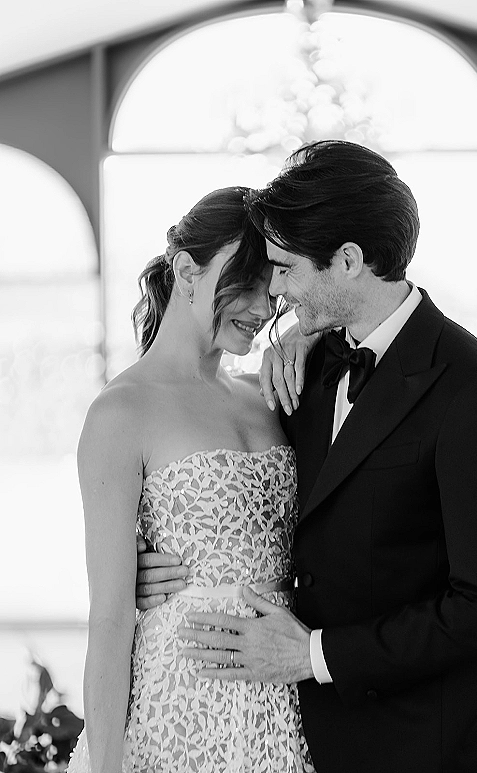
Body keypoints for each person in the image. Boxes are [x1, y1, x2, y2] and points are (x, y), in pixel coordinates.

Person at [137, 141, 477, 773]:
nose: (273, 290)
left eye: (285, 266)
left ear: (349, 260)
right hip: (300, 739)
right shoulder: (311, 365)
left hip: (425, 744)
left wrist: (314, 656)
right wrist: (161, 564)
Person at [67, 186, 315, 773]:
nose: (262, 307)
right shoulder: (121, 412)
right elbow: (108, 614)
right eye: (247, 282)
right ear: (186, 269)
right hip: (180, 704)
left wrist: (305, 335)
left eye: (272, 283)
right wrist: (103, 763)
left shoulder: (269, 394)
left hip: (289, 699)